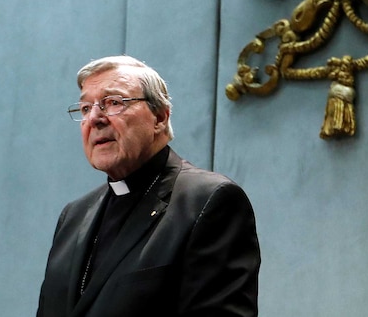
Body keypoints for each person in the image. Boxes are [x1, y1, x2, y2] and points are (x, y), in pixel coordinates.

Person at [36, 55, 260, 317]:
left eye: (113, 103)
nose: (95, 118)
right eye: (85, 108)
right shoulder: (73, 217)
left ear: (160, 118)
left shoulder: (208, 201)